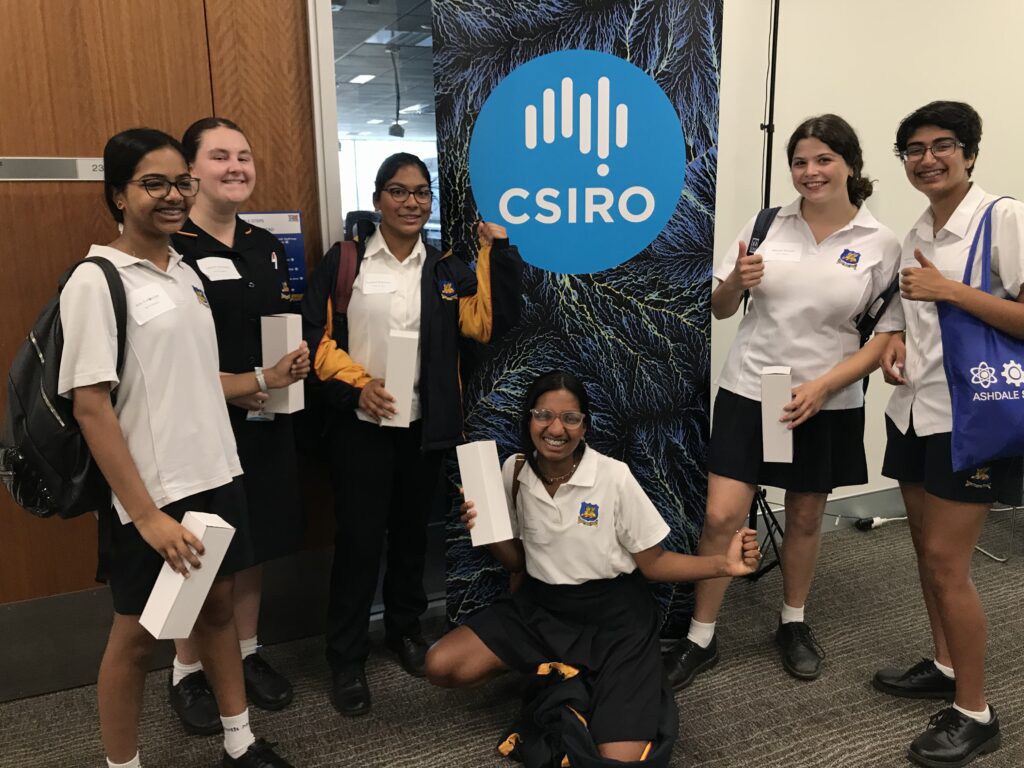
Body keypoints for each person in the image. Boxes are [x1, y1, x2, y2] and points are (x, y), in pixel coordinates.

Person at [58, 128, 306, 768]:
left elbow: (196, 381)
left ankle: (239, 740)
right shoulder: (96, 279)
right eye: (153, 183)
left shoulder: (185, 274)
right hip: (154, 492)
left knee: (217, 610)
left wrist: (261, 382)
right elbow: (91, 406)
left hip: (217, 473)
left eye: (179, 183)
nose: (172, 196)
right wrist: (144, 515)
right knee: (140, 640)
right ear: (117, 195)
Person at [663, 115, 902, 688]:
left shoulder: (880, 243)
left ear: (850, 163)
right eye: (800, 161)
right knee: (722, 514)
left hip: (826, 397)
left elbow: (886, 340)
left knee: (804, 514)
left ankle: (792, 621)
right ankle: (701, 635)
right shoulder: (767, 224)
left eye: (823, 159)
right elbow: (721, 309)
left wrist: (822, 387)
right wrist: (736, 283)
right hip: (752, 388)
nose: (810, 172)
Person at [424, 370, 761, 763]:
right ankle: (560, 673)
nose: (556, 428)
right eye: (543, 415)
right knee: (441, 665)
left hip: (613, 618)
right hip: (542, 608)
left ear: (585, 426)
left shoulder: (612, 477)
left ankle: (589, 679)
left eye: (570, 418)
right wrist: (486, 529)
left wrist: (724, 564)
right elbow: (518, 561)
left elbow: (654, 564)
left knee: (619, 760)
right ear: (528, 419)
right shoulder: (513, 471)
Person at [301, 152, 523, 717]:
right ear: (378, 199)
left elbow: (486, 324)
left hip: (424, 427)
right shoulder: (347, 261)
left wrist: (496, 250)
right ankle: (346, 657)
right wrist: (360, 388)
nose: (411, 202)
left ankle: (403, 630)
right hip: (363, 426)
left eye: (421, 193)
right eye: (398, 192)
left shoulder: (446, 268)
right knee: (357, 542)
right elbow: (317, 340)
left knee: (408, 537)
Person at [874, 101, 1024, 767]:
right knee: (922, 548)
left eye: (942, 145)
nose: (926, 158)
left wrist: (949, 292)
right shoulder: (918, 230)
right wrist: (897, 341)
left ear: (969, 153)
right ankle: (943, 664)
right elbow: (916, 314)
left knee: (946, 562)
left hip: (971, 417)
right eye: (913, 148)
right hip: (915, 410)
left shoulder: (1003, 218)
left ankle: (976, 711)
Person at [164, 117, 300, 735]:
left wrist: (289, 366)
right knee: (202, 551)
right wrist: (249, 382)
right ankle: (186, 668)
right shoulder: (173, 249)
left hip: (267, 420)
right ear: (190, 171)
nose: (236, 166)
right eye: (219, 156)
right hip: (198, 428)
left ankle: (245, 654)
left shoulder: (265, 243)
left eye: (244, 155)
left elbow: (277, 325)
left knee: (256, 544)